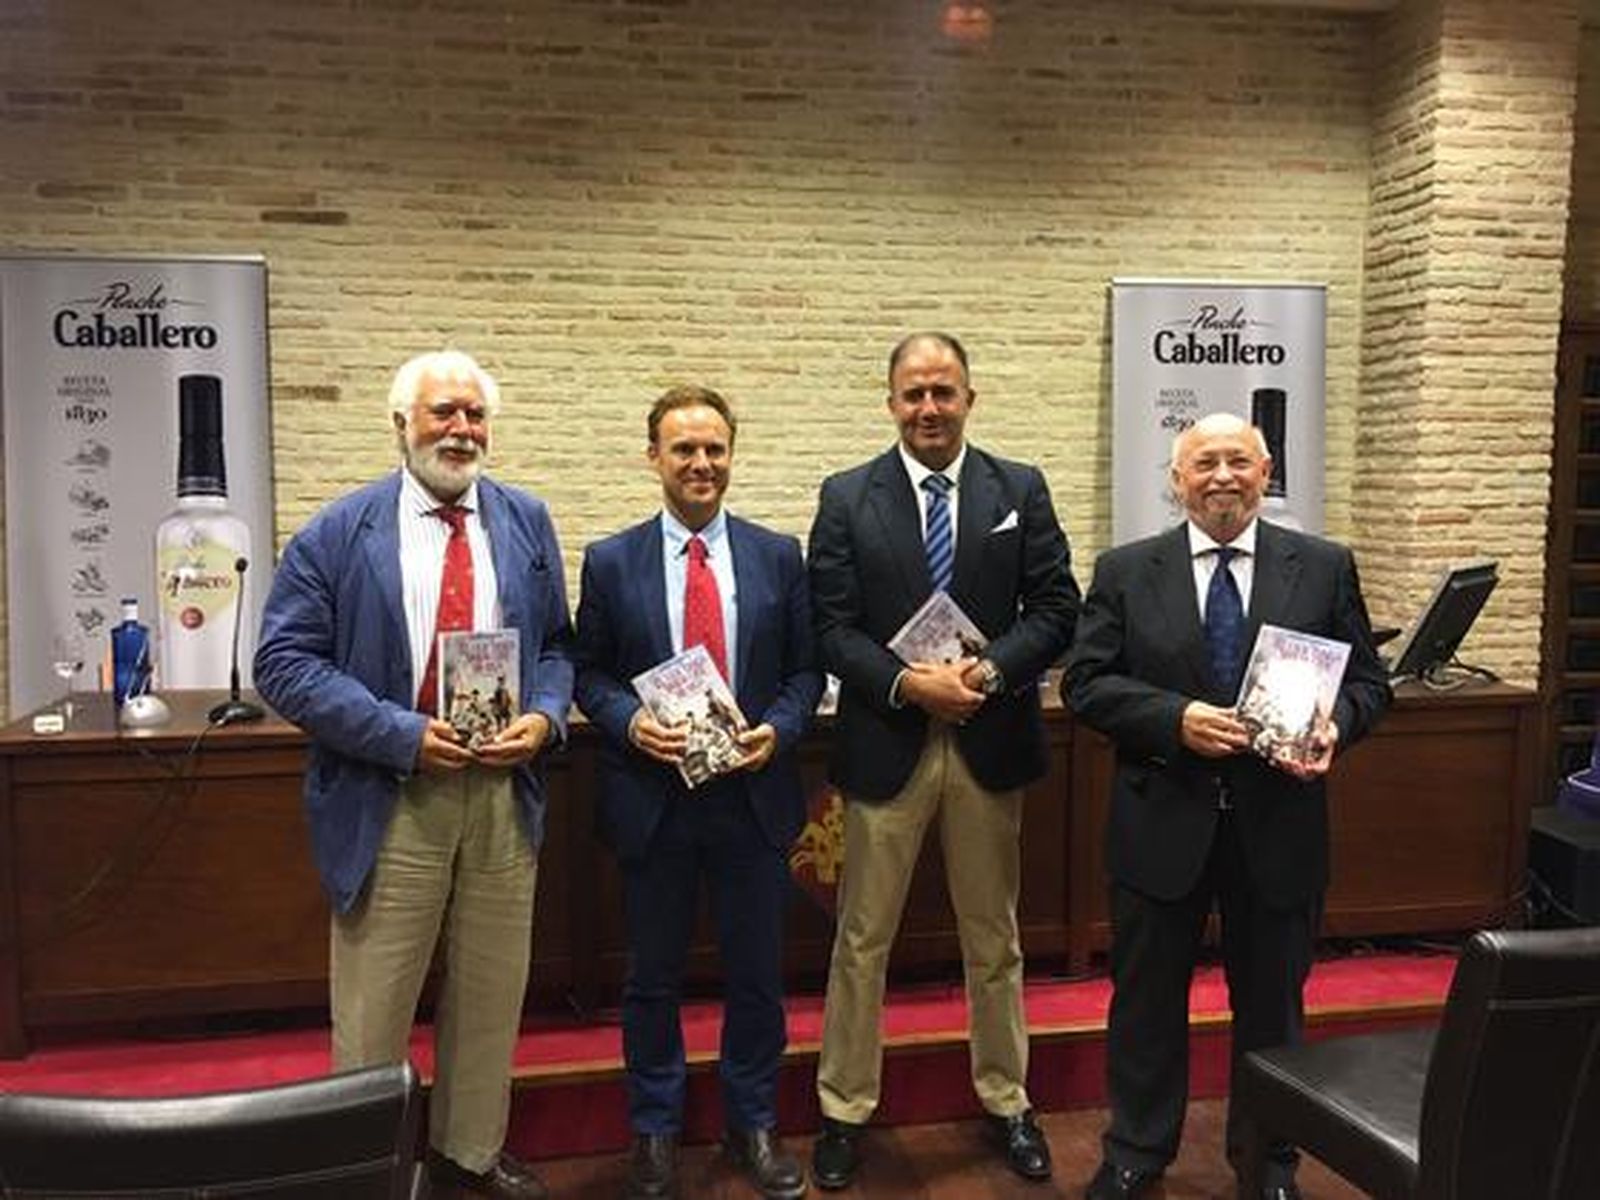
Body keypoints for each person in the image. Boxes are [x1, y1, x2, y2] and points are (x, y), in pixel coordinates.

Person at [254, 350, 574, 1200]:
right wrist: (400, 733)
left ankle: (469, 1151)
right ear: (401, 424)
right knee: (375, 1006)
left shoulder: (526, 520)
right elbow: (283, 662)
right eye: (442, 414)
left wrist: (543, 719)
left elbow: (554, 648)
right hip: (390, 792)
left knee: (491, 992)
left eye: (474, 415)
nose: (461, 430)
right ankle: (360, 1167)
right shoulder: (338, 530)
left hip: (504, 795)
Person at [1064, 412, 1392, 1200]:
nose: (1221, 477)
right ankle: (1136, 1152)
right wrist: (1172, 720)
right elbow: (1087, 684)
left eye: (1237, 462)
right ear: (1176, 480)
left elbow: (1370, 685)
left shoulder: (1320, 566)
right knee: (1144, 1006)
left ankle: (1269, 1161)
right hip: (1159, 823)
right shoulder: (1123, 570)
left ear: (1265, 471)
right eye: (1203, 463)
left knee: (1273, 1009)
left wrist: (1337, 726)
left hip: (1278, 826)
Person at [806, 333, 1079, 1188]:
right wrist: (907, 686)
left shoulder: (1017, 489)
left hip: (988, 742)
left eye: (945, 392)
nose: (930, 408)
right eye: (914, 393)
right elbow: (830, 627)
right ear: (891, 401)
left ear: (970, 397)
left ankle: (1007, 1098)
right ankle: (844, 1107)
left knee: (992, 937)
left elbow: (1059, 607)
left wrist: (990, 672)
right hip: (888, 743)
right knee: (861, 938)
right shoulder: (847, 496)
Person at [573, 386, 823, 1200]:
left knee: (756, 973)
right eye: (683, 449)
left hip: (751, 798)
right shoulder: (611, 560)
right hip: (656, 801)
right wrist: (627, 724)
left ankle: (753, 1123)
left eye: (714, 448)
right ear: (654, 458)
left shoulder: (777, 554)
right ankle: (654, 1130)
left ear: (731, 453)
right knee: (651, 977)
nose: (701, 463)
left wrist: (778, 732)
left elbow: (804, 671)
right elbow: (588, 673)